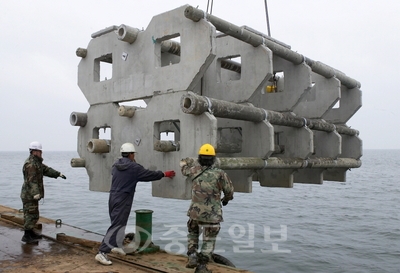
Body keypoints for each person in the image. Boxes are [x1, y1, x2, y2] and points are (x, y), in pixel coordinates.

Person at [95, 142, 176, 266]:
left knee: (117, 222)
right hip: (124, 198)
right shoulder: (134, 168)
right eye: (134, 154)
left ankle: (116, 245)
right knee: (117, 224)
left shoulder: (116, 165)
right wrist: (164, 174)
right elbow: (149, 174)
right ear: (131, 154)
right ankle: (102, 252)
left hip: (113, 196)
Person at [180, 143, 234, 273]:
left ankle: (192, 255)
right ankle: (202, 266)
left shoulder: (194, 171)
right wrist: (226, 200)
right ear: (214, 159)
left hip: (194, 213)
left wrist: (186, 160)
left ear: (199, 158)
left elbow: (183, 167)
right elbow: (229, 191)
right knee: (209, 239)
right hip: (212, 214)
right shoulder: (220, 174)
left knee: (193, 232)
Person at [21, 141, 67, 244]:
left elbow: (46, 170)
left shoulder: (37, 163)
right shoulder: (31, 164)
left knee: (34, 214)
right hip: (29, 195)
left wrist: (58, 174)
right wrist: (35, 193)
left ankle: (31, 232)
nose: (41, 153)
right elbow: (31, 180)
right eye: (39, 151)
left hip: (32, 195)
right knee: (30, 215)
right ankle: (26, 236)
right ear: (34, 151)